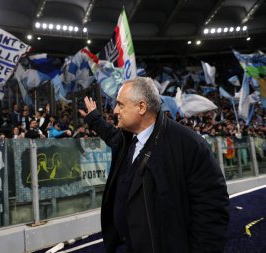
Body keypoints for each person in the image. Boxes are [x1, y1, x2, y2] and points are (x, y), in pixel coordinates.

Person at [78, 77, 229, 253]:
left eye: (120, 105)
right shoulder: (127, 139)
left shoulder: (188, 144)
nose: (115, 110)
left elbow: (211, 210)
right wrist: (94, 118)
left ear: (141, 107)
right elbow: (111, 135)